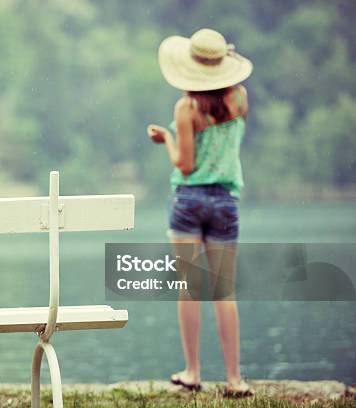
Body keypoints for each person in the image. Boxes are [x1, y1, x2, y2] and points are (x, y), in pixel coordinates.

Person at [147, 28, 254, 397]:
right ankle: (235, 379)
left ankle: (192, 372)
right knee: (224, 291)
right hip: (225, 201)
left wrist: (168, 142)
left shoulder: (186, 108)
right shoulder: (240, 98)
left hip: (189, 203)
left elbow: (187, 165)